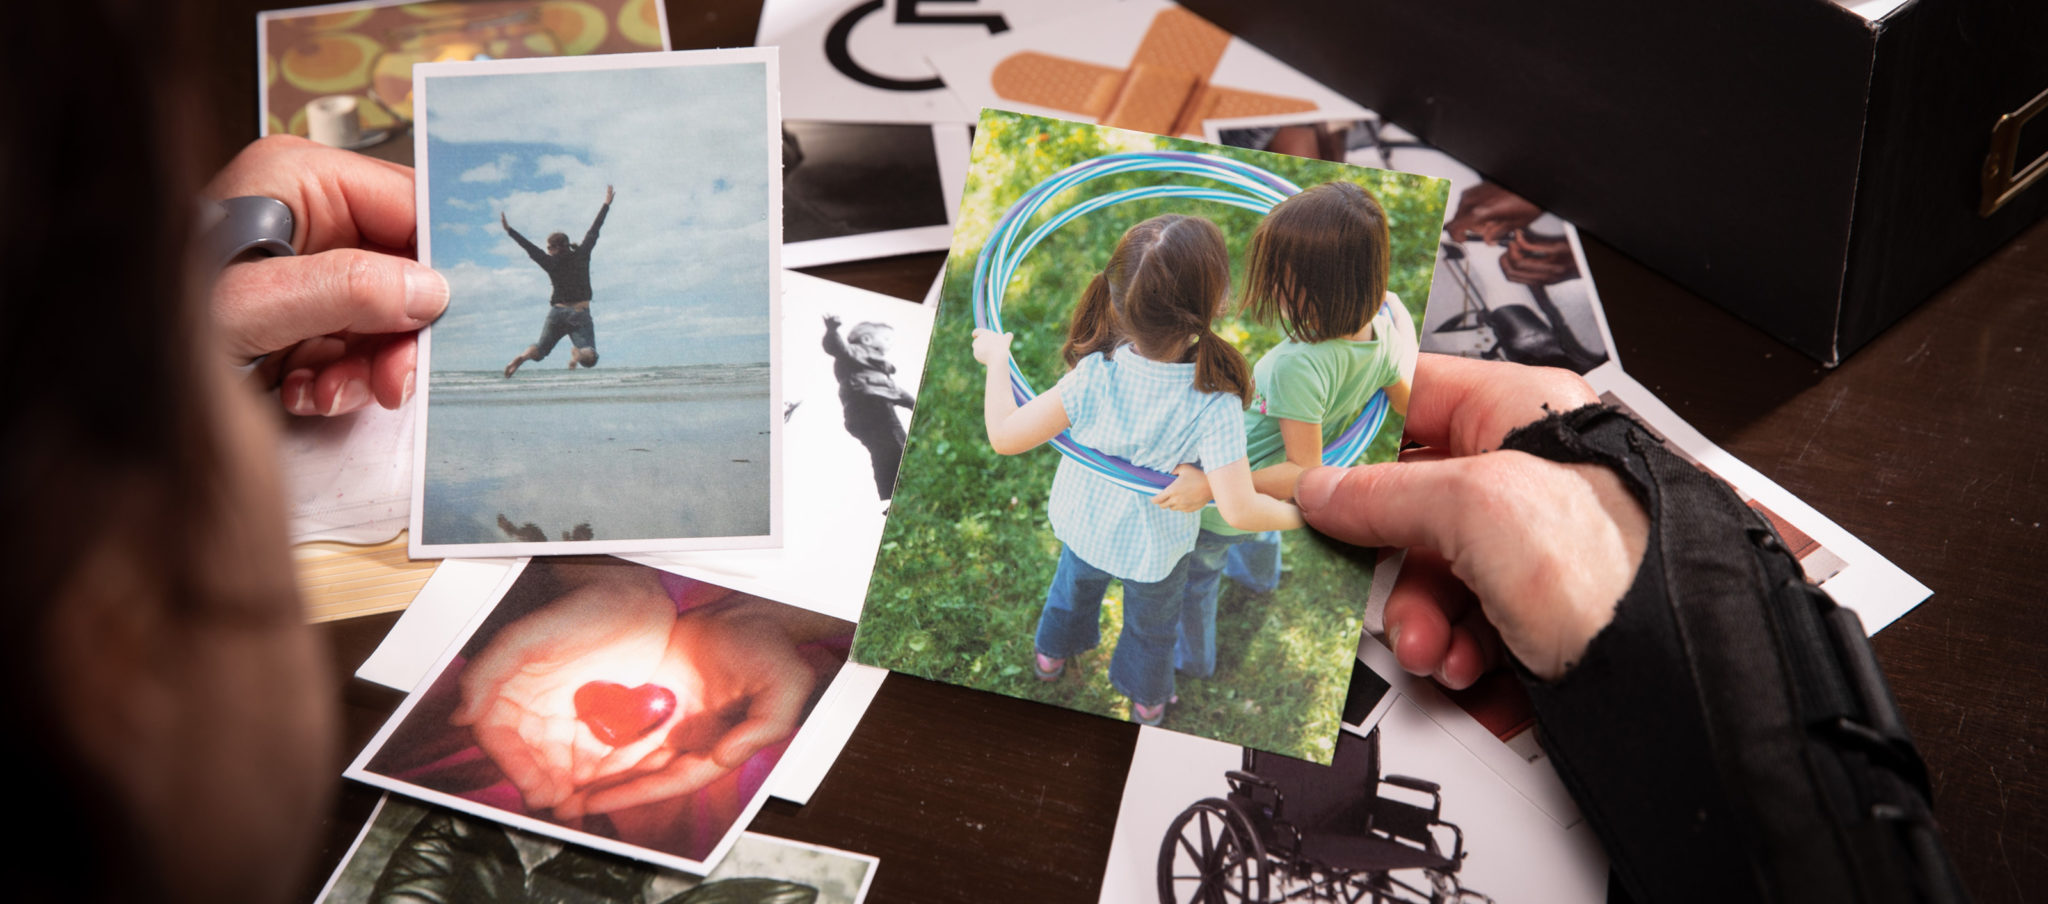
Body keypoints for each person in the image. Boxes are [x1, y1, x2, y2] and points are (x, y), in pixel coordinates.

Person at [971, 214, 1303, 727]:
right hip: (1157, 551)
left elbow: (1004, 435)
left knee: (1070, 594)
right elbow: (1240, 509)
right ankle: (1148, 700)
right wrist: (1310, 514)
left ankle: (1050, 656)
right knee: (1153, 629)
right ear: (1214, 305)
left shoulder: (1092, 378)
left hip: (1086, 528)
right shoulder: (1214, 401)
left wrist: (998, 359)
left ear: (1116, 299)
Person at [1151, 180, 1415, 680]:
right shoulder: (1382, 337)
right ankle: (1260, 583)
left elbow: (1303, 470)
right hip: (1267, 504)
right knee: (1263, 534)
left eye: (1283, 282)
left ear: (1322, 291)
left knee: (1198, 579)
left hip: (1225, 498)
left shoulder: (1298, 365)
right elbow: (1408, 402)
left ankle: (1194, 663)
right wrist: (1401, 318)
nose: (1272, 290)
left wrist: (1210, 485)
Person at [501, 186, 615, 377]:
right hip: (580, 312)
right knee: (590, 356)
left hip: (556, 312)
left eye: (548, 247)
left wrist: (510, 231)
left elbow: (530, 248)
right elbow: (594, 231)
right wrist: (606, 205)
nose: (547, 251)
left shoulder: (549, 262)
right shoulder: (582, 254)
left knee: (540, 350)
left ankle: (521, 357)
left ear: (555, 248)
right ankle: (579, 354)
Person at [822, 314, 915, 502]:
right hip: (873, 405)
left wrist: (913, 403)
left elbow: (895, 390)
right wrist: (832, 330)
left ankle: (890, 496)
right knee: (897, 443)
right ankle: (909, 484)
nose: (890, 343)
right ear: (867, 339)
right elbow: (837, 348)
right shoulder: (858, 352)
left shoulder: (876, 369)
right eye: (887, 338)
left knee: (881, 453)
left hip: (858, 413)